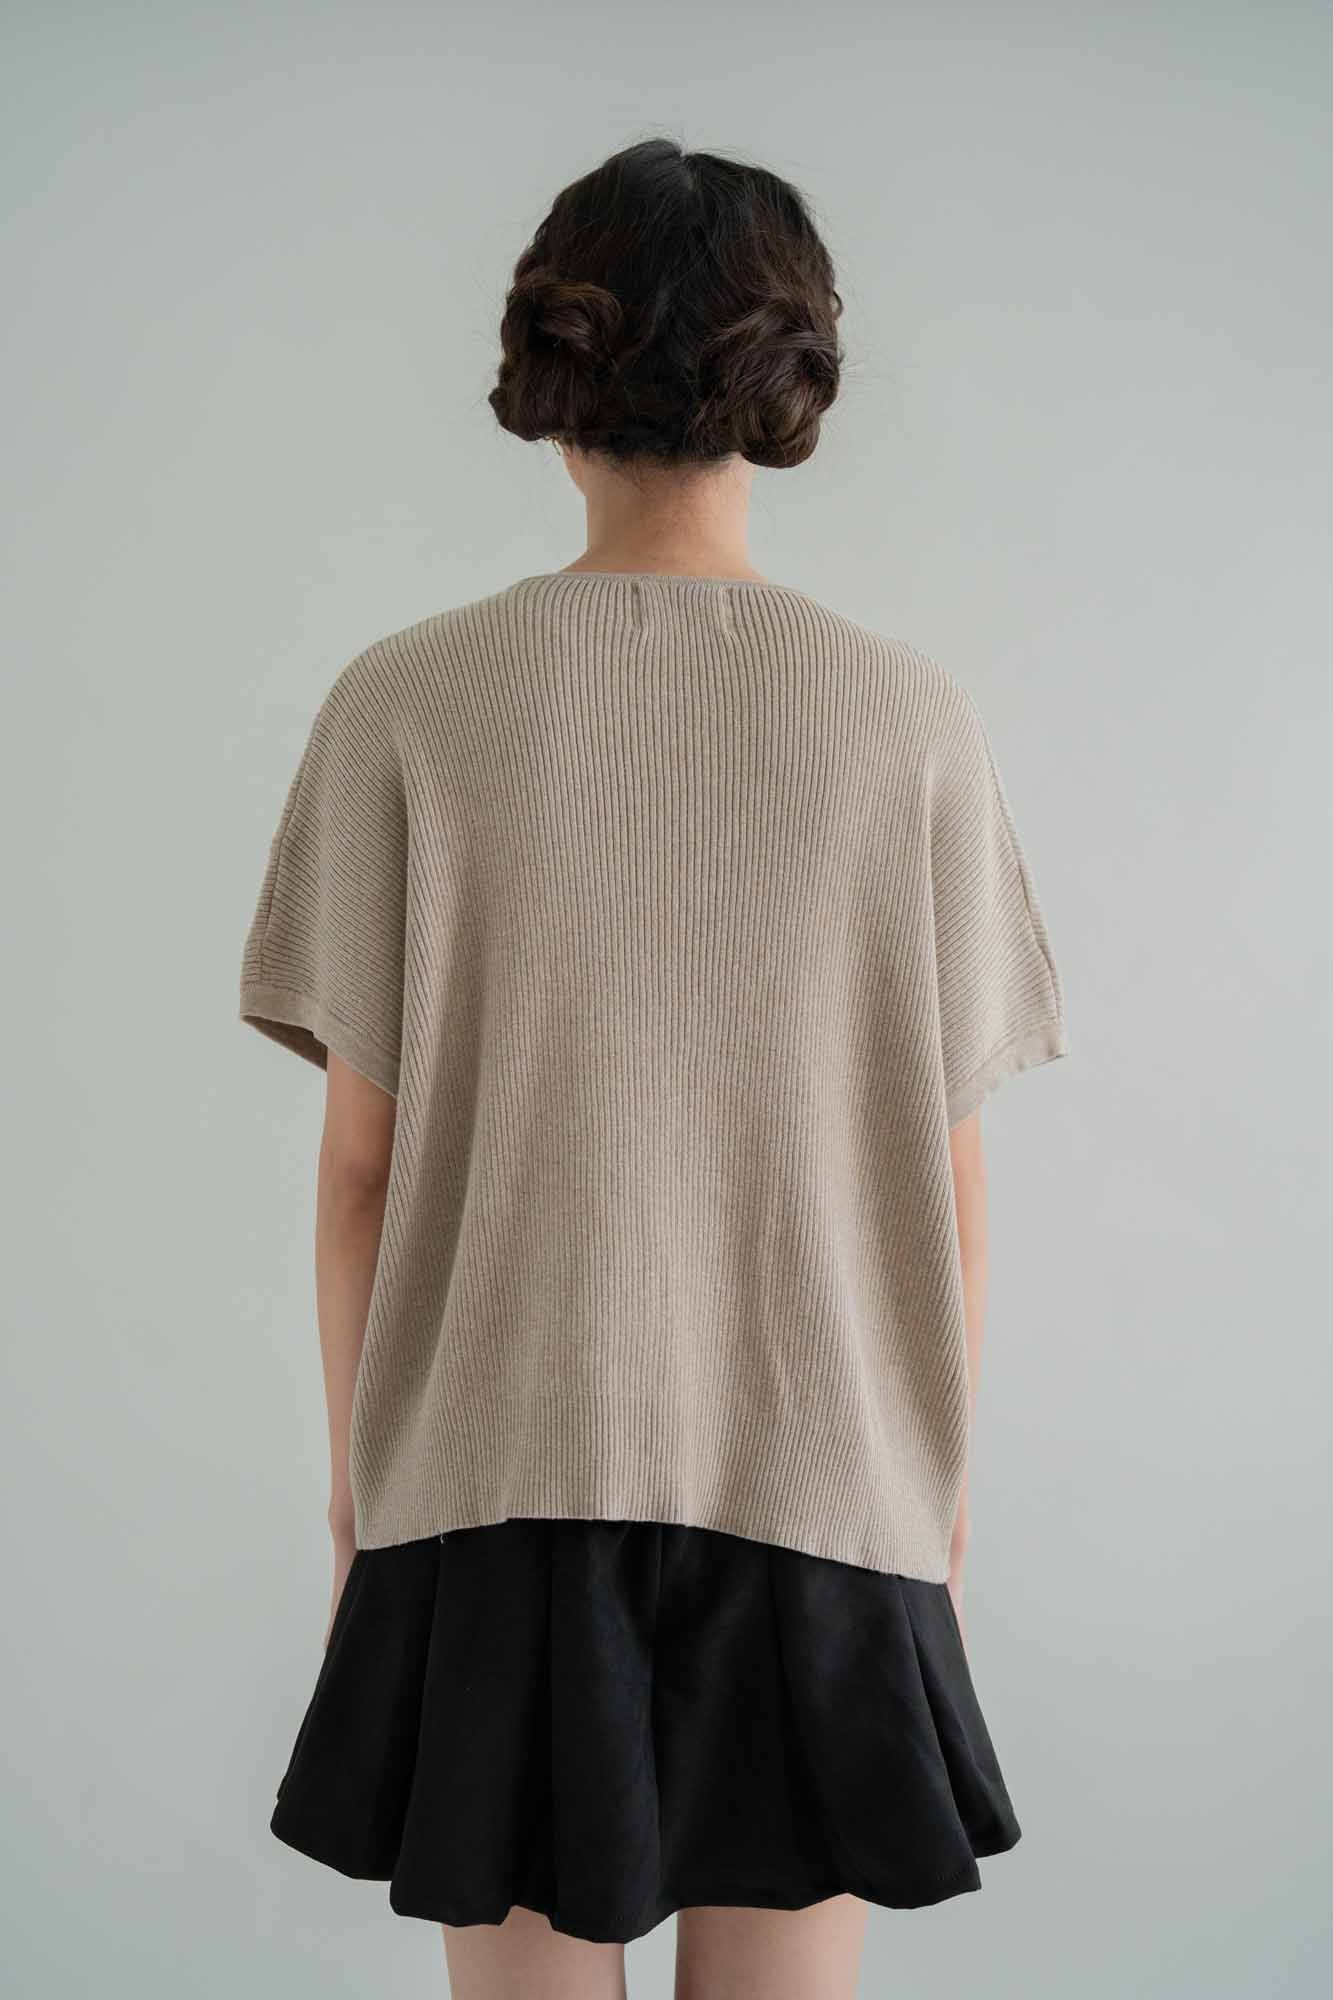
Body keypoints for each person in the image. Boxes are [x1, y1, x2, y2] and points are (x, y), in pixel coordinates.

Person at [237, 137, 1068, 2000]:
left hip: (493, 1474)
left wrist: (366, 1482)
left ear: (548, 370)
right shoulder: (908, 720)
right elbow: (944, 1163)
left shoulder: (408, 702)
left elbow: (361, 1171)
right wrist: (931, 1477)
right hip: (823, 1479)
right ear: (790, 380)